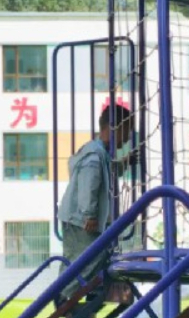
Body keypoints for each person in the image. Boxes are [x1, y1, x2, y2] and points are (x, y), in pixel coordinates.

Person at [56, 104, 133, 305]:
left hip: (76, 217)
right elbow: (89, 183)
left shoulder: (99, 152)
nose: (128, 138)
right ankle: (64, 295)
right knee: (91, 256)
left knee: (80, 257)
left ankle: (78, 293)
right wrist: (89, 213)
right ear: (115, 127)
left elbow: (110, 170)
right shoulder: (95, 155)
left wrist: (125, 162)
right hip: (81, 218)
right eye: (127, 130)